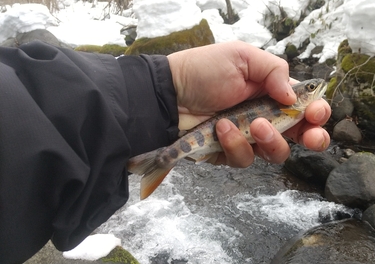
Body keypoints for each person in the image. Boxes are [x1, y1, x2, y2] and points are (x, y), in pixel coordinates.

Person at [0, 40, 331, 263]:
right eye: (312, 88)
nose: (315, 90)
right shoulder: (291, 109)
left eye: (311, 88)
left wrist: (164, 89)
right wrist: (161, 90)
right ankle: (162, 158)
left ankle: (163, 155)